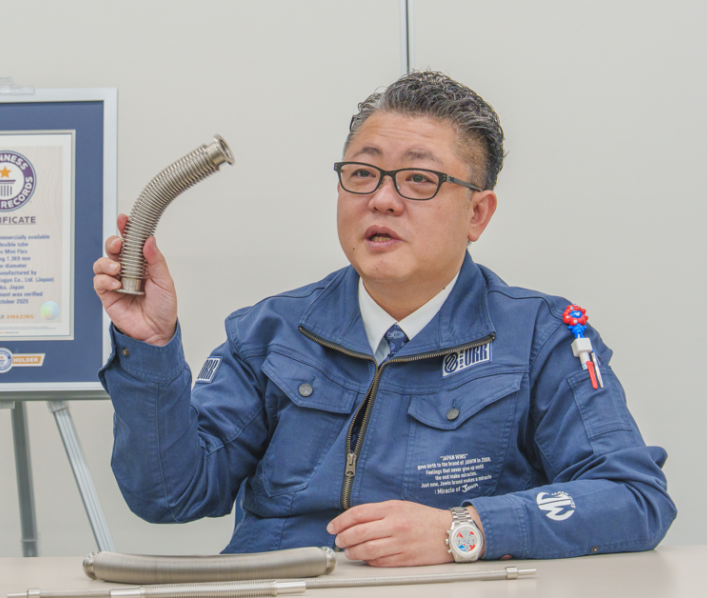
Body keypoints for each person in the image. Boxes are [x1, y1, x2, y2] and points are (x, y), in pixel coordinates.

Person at [92, 71, 676, 566]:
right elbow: (169, 495)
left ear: (477, 213)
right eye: (362, 173)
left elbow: (633, 497)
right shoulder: (270, 331)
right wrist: (150, 346)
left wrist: (462, 531)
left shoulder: (540, 337)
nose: (382, 199)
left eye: (419, 179)